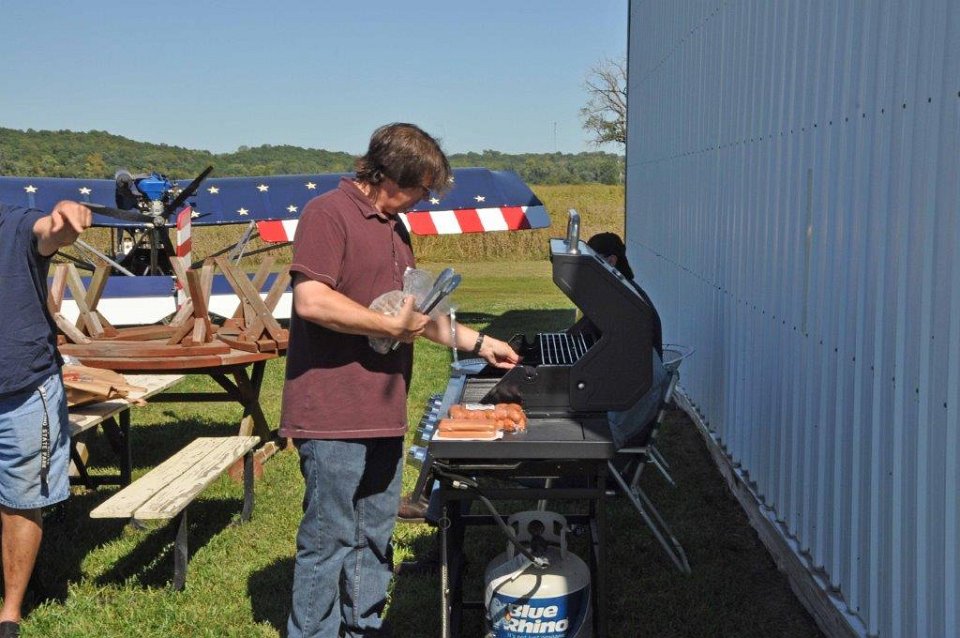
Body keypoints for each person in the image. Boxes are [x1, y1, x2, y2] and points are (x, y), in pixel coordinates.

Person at [280, 123, 519, 638]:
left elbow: (415, 315)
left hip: (383, 410)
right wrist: (387, 326)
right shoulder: (328, 213)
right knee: (328, 538)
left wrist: (482, 342)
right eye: (421, 190)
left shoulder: (395, 229)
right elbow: (311, 300)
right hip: (332, 411)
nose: (422, 201)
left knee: (374, 534)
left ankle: (364, 627)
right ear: (389, 176)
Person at [0, 200, 93, 638]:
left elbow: (49, 233)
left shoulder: (14, 222)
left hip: (22, 387)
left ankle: (10, 612)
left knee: (21, 502)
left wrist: (65, 222)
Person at [585, 232, 667, 449]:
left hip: (626, 410)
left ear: (611, 260)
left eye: (593, 261)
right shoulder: (621, 291)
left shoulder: (625, 302)